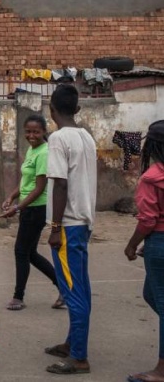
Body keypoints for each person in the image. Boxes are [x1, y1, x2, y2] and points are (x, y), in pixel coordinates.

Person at [44, 84, 97, 376]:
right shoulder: (86, 137)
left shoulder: (58, 139)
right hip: (84, 222)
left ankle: (79, 357)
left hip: (69, 225)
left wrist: (55, 227)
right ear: (76, 110)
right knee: (82, 287)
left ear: (51, 110)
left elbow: (60, 184)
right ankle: (71, 343)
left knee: (73, 291)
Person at [1, 115, 65, 311]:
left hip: (37, 208)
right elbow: (25, 181)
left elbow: (39, 188)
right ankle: (64, 288)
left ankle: (18, 297)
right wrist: (12, 197)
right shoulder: (32, 150)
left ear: (44, 131)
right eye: (28, 131)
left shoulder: (44, 152)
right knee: (29, 253)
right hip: (28, 207)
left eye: (36, 131)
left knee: (21, 251)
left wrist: (18, 208)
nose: (31, 135)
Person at [125, 120, 164, 382]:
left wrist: (131, 244)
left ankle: (161, 370)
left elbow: (148, 220)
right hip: (156, 243)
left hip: (158, 244)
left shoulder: (151, 178)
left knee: (160, 300)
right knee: (150, 295)